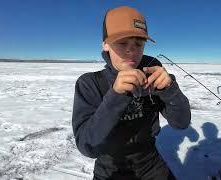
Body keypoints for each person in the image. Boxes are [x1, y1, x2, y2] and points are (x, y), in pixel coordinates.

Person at [72, 6, 191, 180]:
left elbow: (181, 123)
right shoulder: (90, 83)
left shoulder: (153, 75)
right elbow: (87, 146)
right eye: (122, 43)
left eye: (138, 43)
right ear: (105, 44)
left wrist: (169, 90)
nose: (132, 50)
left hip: (151, 164)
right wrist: (116, 95)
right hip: (110, 170)